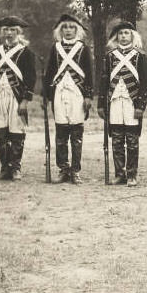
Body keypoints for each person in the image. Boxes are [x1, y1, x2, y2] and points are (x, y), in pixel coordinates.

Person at [43, 14, 94, 184]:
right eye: (65, 27)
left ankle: (75, 170)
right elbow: (49, 72)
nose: (69, 30)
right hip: (59, 92)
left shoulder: (83, 48)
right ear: (60, 30)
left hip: (77, 93)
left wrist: (88, 95)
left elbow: (89, 73)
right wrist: (46, 96)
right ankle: (63, 169)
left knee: (77, 133)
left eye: (72, 27)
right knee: (61, 133)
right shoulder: (55, 48)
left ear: (77, 30)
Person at [101, 21, 147, 187]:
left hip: (132, 102)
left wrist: (140, 106)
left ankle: (131, 174)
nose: (123, 36)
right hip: (115, 102)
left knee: (131, 140)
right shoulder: (110, 56)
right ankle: (119, 174)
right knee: (116, 139)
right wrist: (101, 104)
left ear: (132, 36)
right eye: (120, 33)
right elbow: (104, 81)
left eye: (126, 33)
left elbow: (146, 82)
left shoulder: (139, 56)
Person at [0, 16, 37, 181]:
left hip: (16, 96)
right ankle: (5, 167)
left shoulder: (26, 52)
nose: (9, 33)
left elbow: (31, 78)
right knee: (1, 131)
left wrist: (25, 100)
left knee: (16, 131)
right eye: (6, 30)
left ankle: (15, 167)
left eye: (12, 30)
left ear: (18, 32)